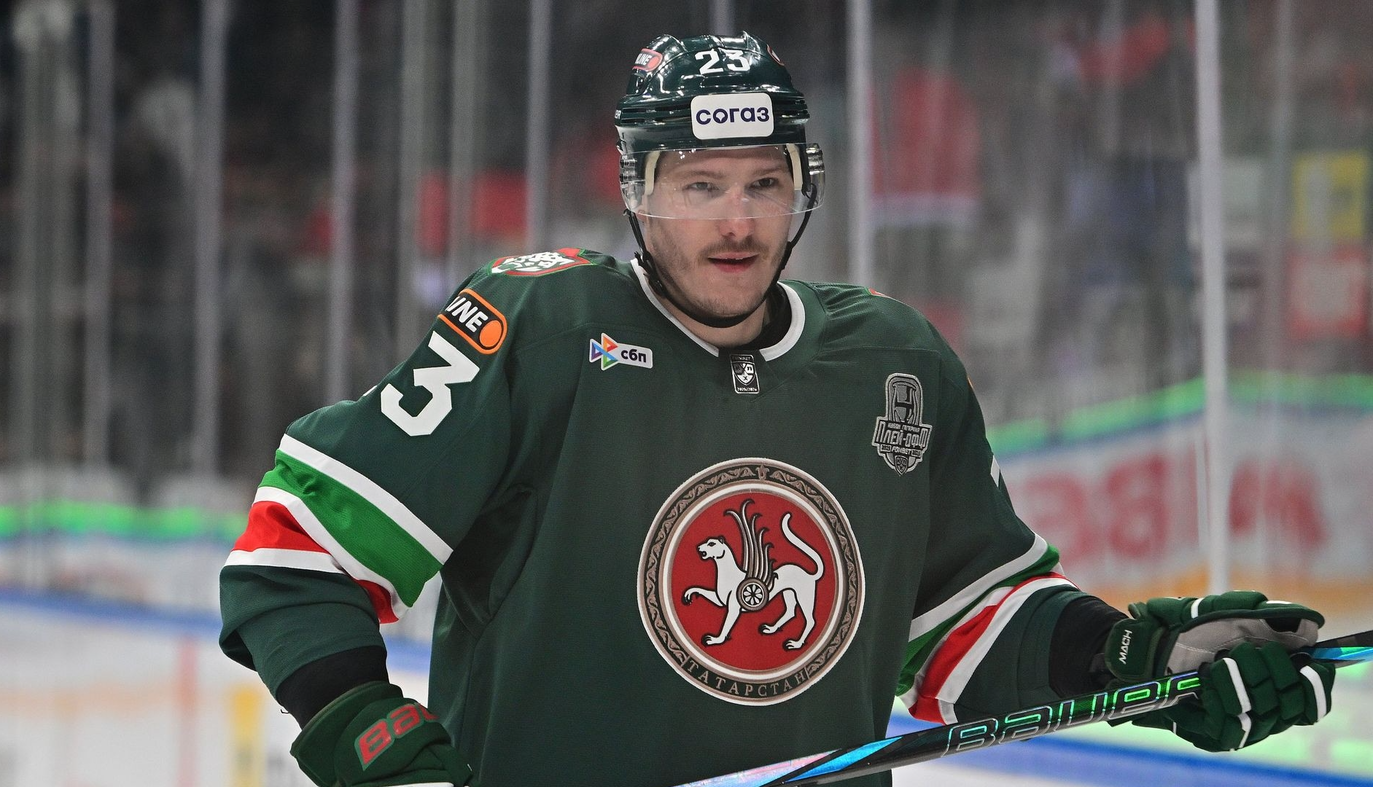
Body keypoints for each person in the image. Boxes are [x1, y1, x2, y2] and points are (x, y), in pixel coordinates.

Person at [218, 32, 1337, 787]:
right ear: (636, 192)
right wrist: (374, 741)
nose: (736, 221)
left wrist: (1142, 658)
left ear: (803, 186)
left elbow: (963, 625)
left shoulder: (891, 364)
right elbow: (296, 558)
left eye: (763, 182)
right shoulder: (538, 329)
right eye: (699, 185)